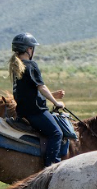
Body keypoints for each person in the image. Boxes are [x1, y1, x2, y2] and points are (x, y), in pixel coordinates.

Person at [9, 33, 68, 167]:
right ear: (29, 49)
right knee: (56, 133)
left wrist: (52, 95)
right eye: (32, 48)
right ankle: (50, 168)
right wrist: (56, 102)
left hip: (23, 111)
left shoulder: (17, 66)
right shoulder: (31, 65)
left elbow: (28, 91)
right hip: (36, 112)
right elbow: (41, 87)